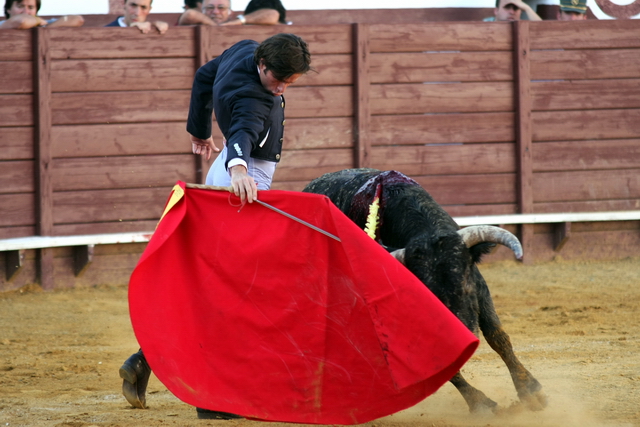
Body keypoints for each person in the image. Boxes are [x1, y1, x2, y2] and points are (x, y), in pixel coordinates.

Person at [119, 33, 313, 418]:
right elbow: (242, 130)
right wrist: (239, 168)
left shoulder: (242, 50)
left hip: (224, 171)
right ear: (262, 65)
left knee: (221, 286)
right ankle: (211, 399)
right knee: (237, 292)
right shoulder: (254, 97)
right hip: (242, 181)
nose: (281, 88)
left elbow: (204, 75)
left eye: (290, 82)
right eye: (278, 79)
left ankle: (148, 358)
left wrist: (199, 128)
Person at [178, 0, 286, 27]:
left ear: (230, 13)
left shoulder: (237, 23)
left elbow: (272, 14)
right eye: (210, 7)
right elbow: (190, 15)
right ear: (202, 10)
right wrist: (216, 26)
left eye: (221, 8)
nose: (215, 12)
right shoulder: (194, 17)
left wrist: (239, 21)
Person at [0, 0, 84, 29]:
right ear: (8, 9)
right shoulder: (3, 24)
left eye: (31, 7)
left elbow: (77, 20)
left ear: (36, 10)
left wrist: (46, 28)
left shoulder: (44, 24)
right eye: (20, 6)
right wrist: (38, 21)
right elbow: (21, 21)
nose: (26, 11)